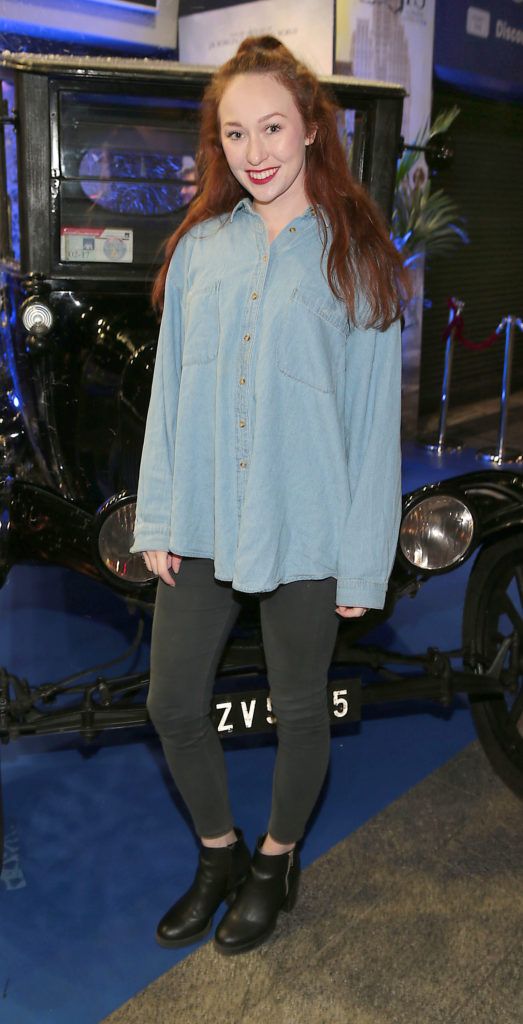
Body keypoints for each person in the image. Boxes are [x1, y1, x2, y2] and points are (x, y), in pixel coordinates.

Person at [130, 34, 408, 956]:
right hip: (204, 515)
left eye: (273, 128)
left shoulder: (355, 254)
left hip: (308, 522)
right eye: (236, 132)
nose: (255, 151)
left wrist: (364, 556)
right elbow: (169, 394)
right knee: (171, 702)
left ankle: (277, 859)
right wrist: (157, 517)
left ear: (311, 131)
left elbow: (373, 426)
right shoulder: (201, 249)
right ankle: (219, 851)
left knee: (300, 706)